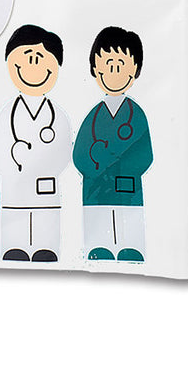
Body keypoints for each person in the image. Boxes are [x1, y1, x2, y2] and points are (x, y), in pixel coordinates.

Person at [0, 24, 72, 262]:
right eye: (27, 56)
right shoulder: (7, 113)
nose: (34, 63)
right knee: (16, 221)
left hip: (46, 184)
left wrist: (47, 166)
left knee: (45, 219)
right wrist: (14, 163)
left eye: (42, 58)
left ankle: (47, 248)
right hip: (15, 184)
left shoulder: (58, 115)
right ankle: (14, 247)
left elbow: (65, 150)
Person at [72, 26, 153, 262]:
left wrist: (123, 168)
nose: (114, 70)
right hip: (97, 188)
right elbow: (79, 155)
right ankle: (99, 247)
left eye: (121, 64)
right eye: (108, 64)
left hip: (128, 186)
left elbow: (146, 154)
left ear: (135, 70)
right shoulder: (94, 116)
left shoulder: (137, 115)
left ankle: (131, 248)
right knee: (100, 225)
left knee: (128, 223)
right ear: (95, 69)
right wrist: (97, 166)